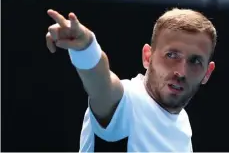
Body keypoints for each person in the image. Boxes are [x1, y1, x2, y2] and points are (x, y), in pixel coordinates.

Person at [46, 8, 217, 152]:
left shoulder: (182, 123)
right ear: (147, 56)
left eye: (195, 61)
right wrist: (85, 49)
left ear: (207, 73)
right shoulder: (127, 100)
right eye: (171, 55)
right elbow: (101, 84)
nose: (181, 72)